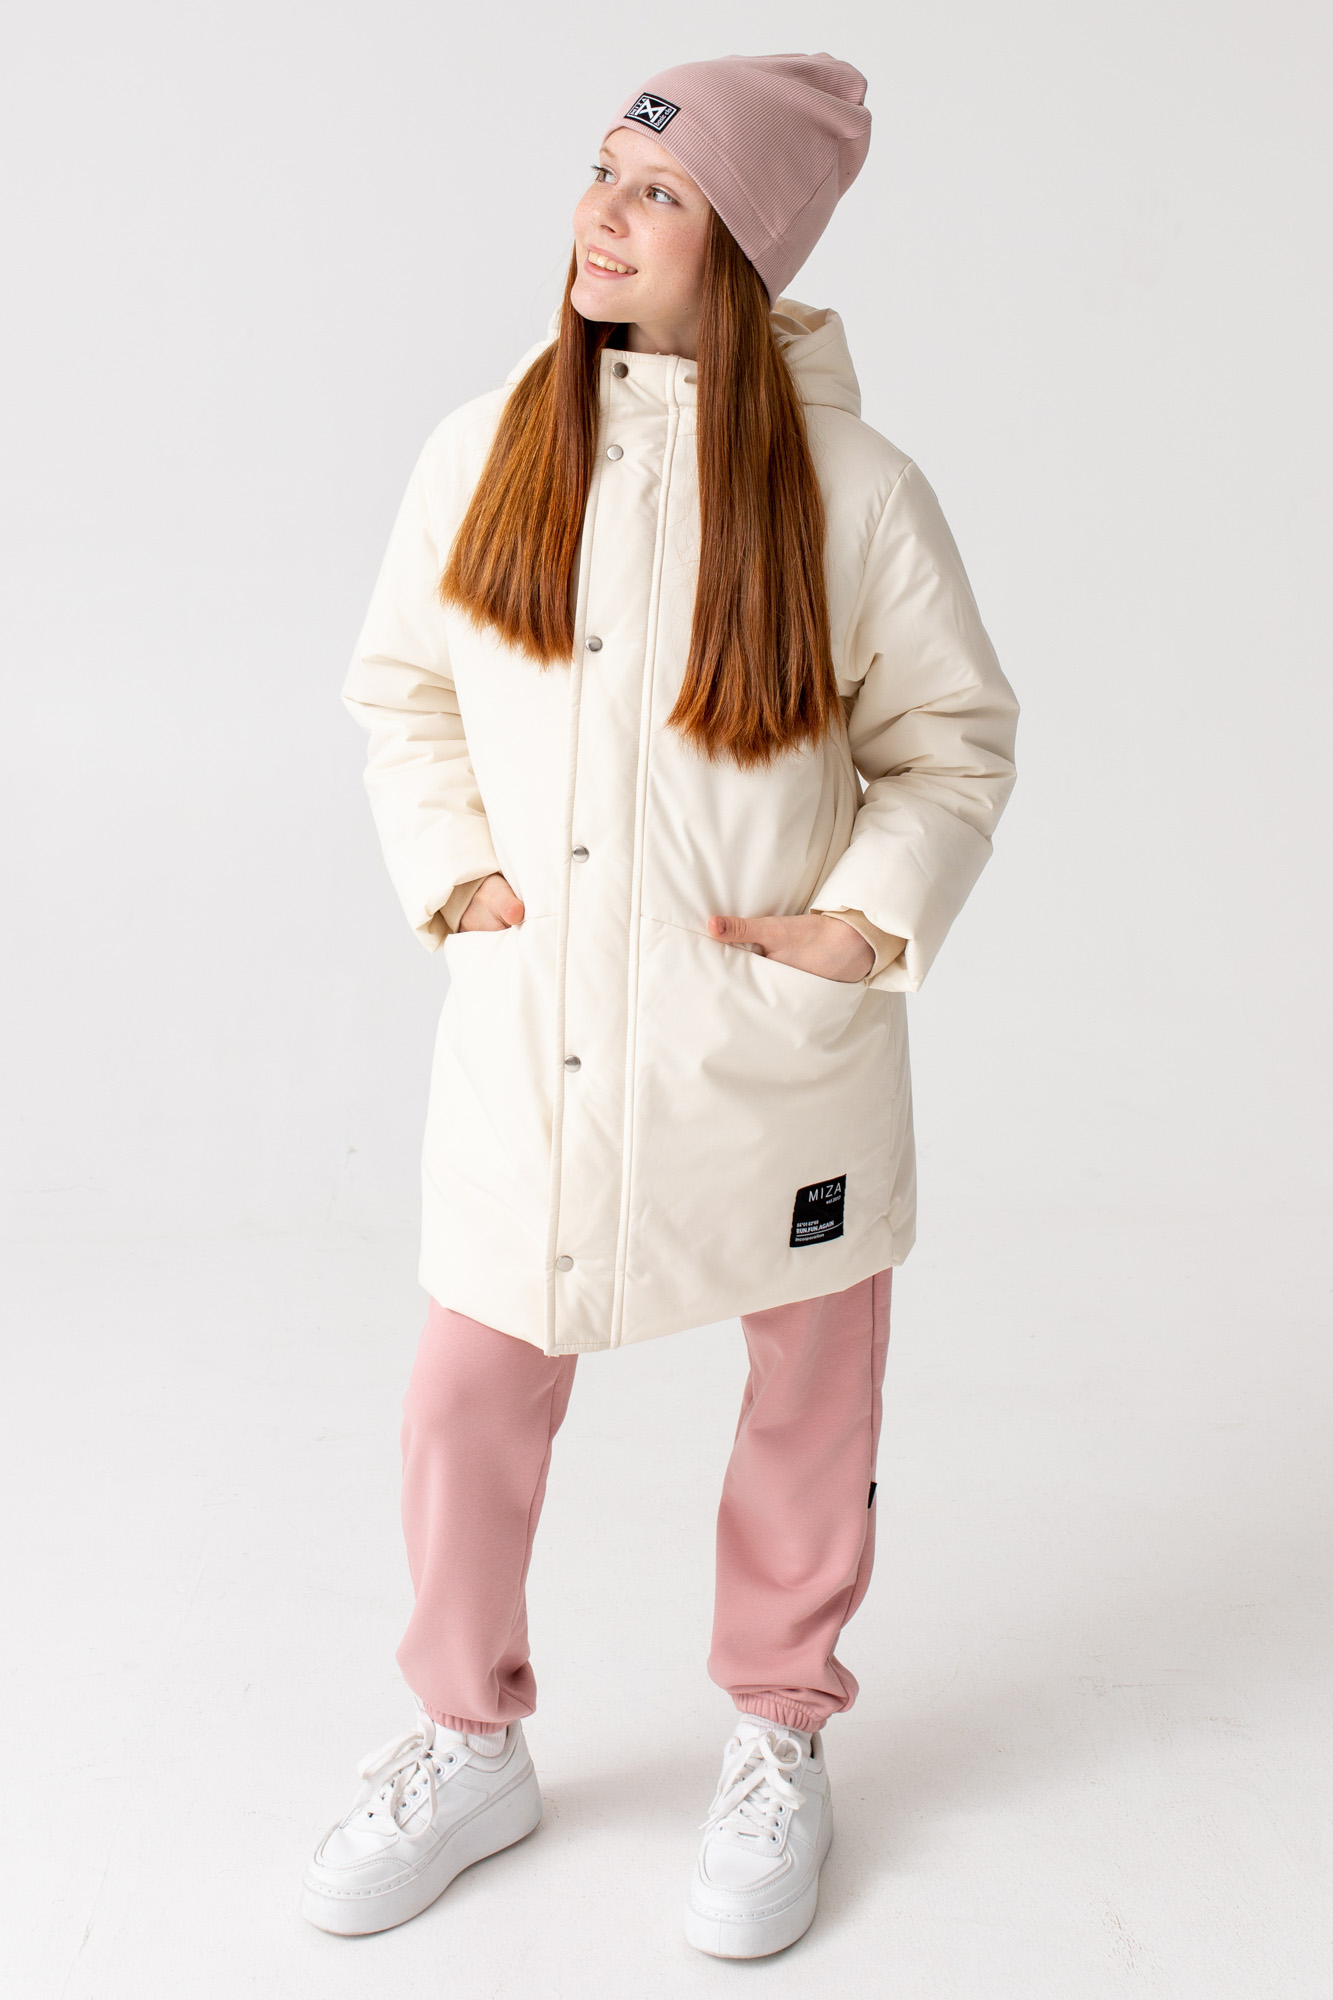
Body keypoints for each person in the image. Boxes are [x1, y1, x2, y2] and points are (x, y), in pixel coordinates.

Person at [302, 53, 1018, 1960]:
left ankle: (780, 1731)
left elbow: (948, 743)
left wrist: (860, 926)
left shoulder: (854, 493)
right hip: (536, 1032)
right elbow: (404, 693)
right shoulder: (484, 448)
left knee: (812, 1390)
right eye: (602, 170)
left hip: (766, 1047)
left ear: (745, 244)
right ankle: (467, 1736)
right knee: (466, 1392)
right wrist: (459, 880)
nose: (601, 215)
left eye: (659, 191)